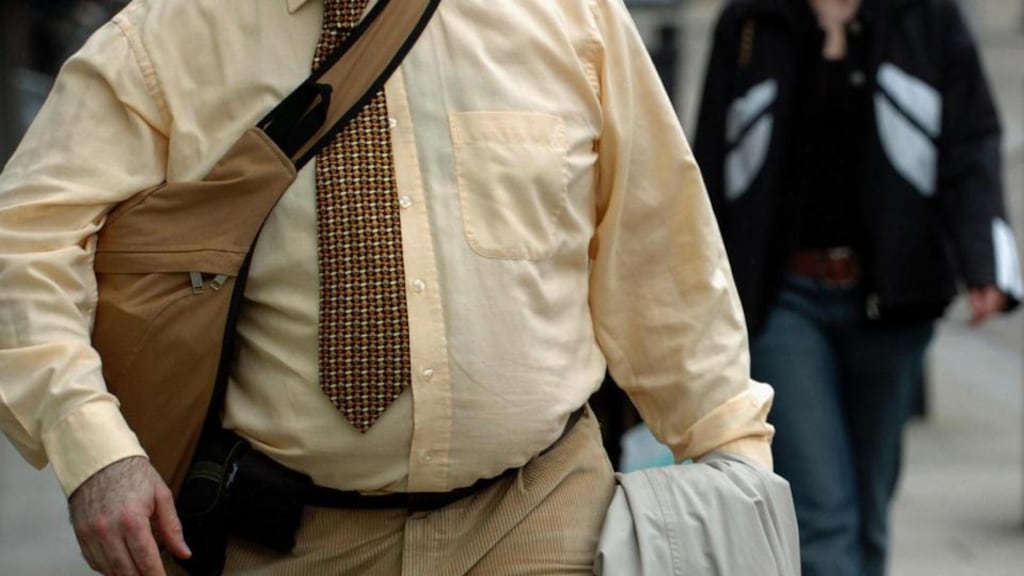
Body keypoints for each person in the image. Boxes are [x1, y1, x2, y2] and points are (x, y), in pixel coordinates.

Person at [0, 1, 778, 575]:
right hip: (289, 540)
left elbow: (661, 251)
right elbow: (24, 238)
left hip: (542, 513)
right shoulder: (170, 36)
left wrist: (732, 459)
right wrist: (93, 448)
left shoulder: (567, 15)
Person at [694, 0, 1022, 575]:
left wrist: (984, 263)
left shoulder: (928, 18)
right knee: (824, 512)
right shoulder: (751, 20)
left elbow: (971, 142)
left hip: (893, 303)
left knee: (869, 513)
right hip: (782, 302)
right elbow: (706, 166)